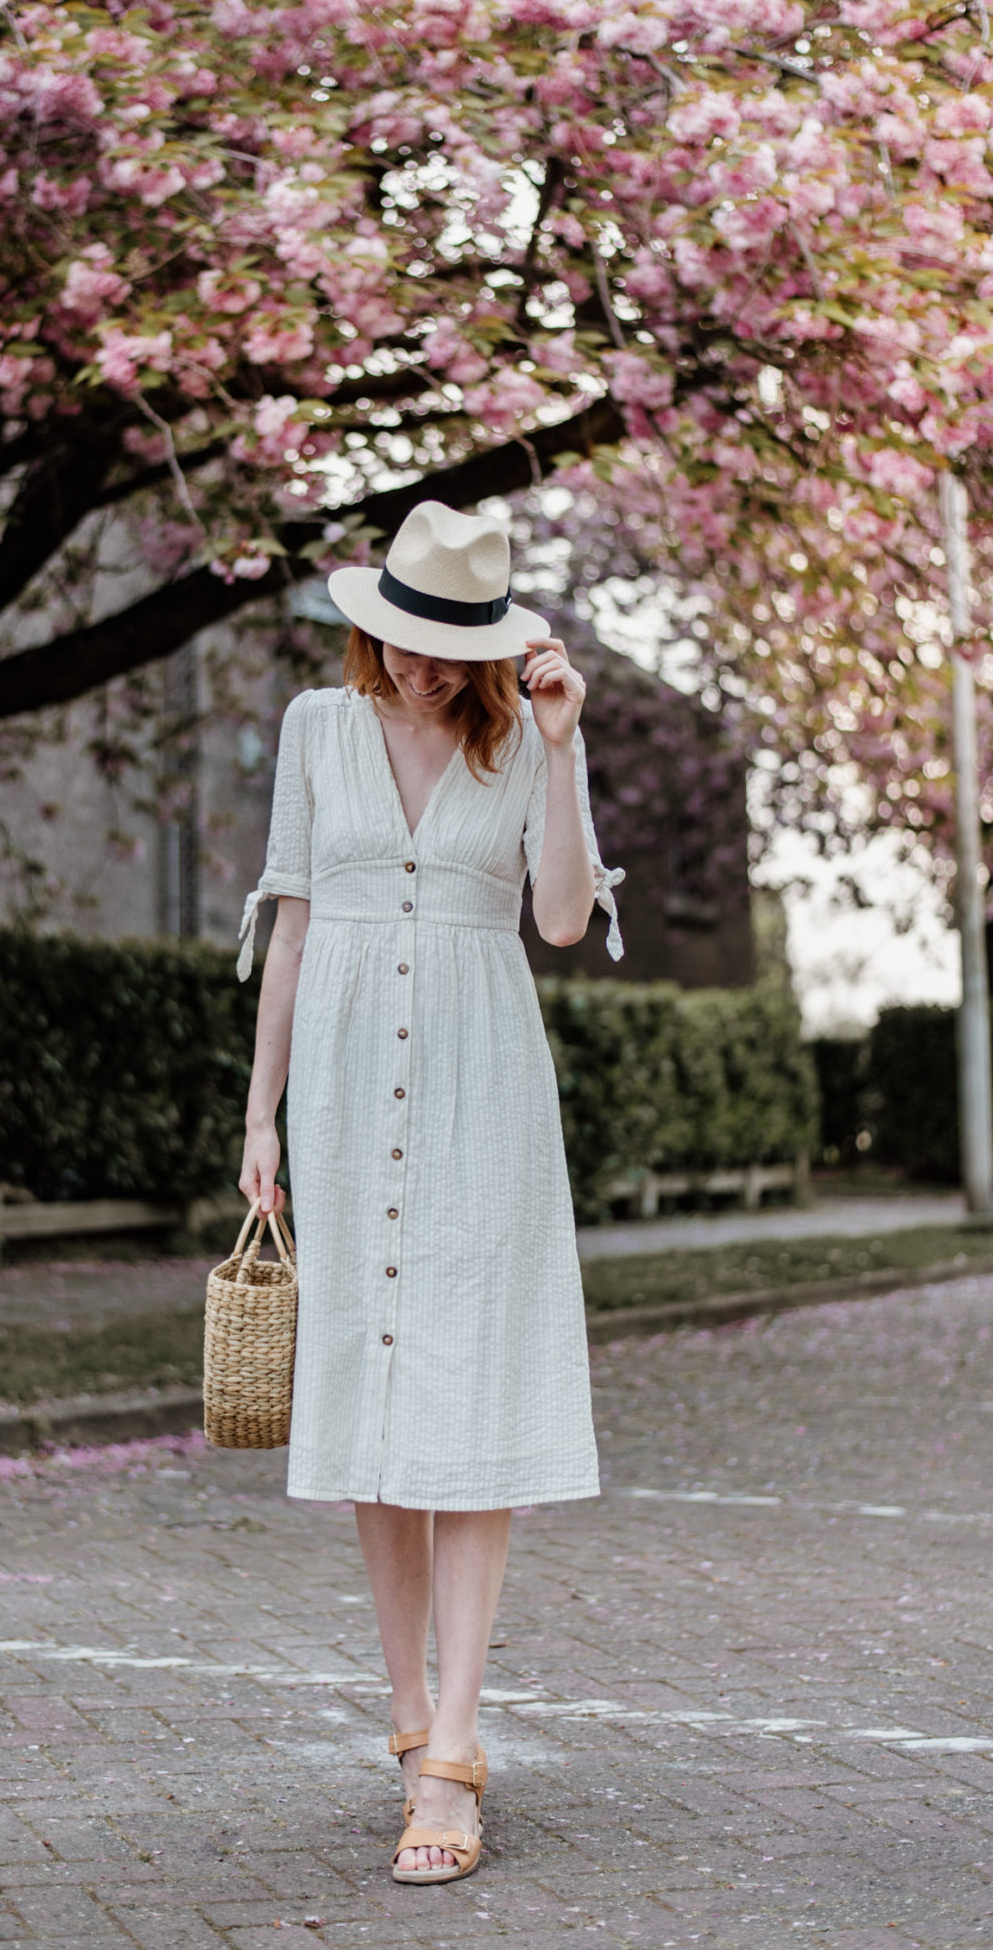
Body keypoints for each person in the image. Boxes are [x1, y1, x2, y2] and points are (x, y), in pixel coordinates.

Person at [236, 500, 624, 1885]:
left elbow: (566, 918)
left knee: (465, 1398)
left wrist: (567, 751)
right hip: (341, 1098)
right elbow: (292, 920)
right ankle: (410, 1717)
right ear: (372, 624)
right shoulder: (312, 729)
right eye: (403, 642)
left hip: (480, 1095)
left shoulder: (521, 741)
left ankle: (455, 1751)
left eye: (449, 650)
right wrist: (261, 1110)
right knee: (373, 1397)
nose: (420, 670)